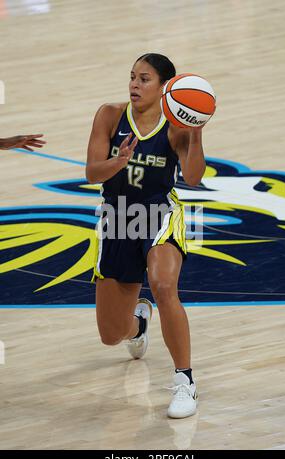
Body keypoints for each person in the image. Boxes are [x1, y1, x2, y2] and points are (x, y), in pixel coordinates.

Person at [86, 53, 206, 419]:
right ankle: (139, 321)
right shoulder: (109, 115)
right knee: (111, 335)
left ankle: (185, 380)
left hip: (158, 214)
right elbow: (93, 172)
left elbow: (195, 176)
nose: (135, 85)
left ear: (164, 87)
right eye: (133, 77)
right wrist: (117, 163)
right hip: (118, 218)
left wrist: (197, 133)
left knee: (163, 284)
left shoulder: (176, 126)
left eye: (145, 79)